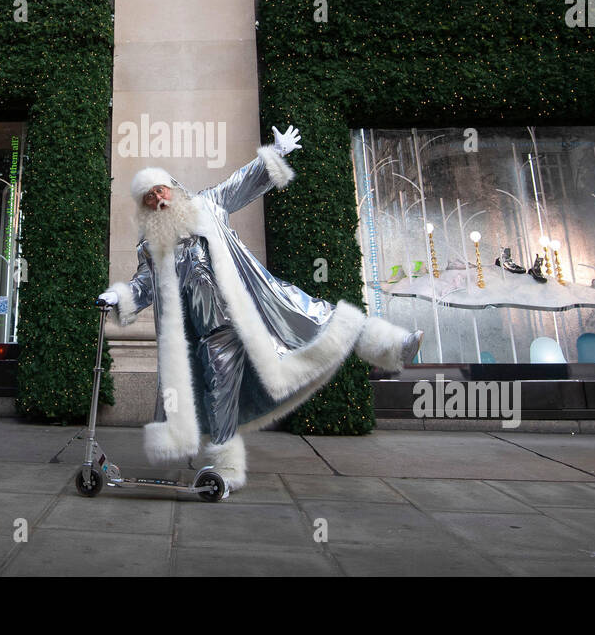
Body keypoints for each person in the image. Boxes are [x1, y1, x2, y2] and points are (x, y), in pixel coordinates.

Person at [98, 125, 423, 494]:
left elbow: (242, 183)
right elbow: (144, 285)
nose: (158, 199)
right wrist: (119, 297)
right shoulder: (152, 246)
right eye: (149, 198)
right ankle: (226, 470)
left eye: (161, 190)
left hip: (255, 307)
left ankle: (393, 346)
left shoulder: (208, 206)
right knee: (219, 395)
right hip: (212, 336)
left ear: (172, 187)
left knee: (319, 315)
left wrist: (274, 154)